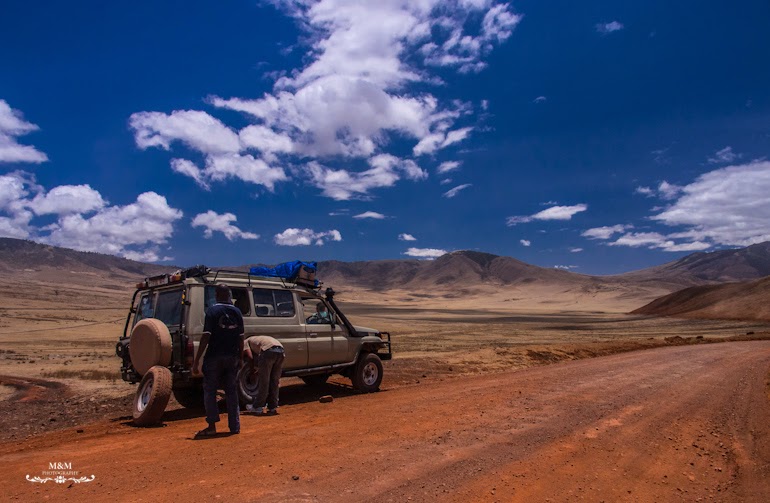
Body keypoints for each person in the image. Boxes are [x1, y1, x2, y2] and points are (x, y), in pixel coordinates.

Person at [193, 284, 244, 437]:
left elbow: (206, 336)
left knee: (210, 390)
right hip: (232, 356)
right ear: (228, 294)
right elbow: (241, 338)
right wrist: (240, 357)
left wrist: (197, 360)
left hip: (214, 356)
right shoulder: (237, 312)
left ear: (217, 294)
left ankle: (211, 426)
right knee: (231, 391)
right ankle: (234, 426)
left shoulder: (212, 311)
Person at [243, 335, 285, 415]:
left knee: (264, 381)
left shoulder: (245, 342)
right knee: (274, 381)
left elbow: (250, 357)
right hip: (280, 350)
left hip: (267, 351)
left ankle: (258, 407)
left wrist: (252, 372)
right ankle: (273, 407)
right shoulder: (256, 340)